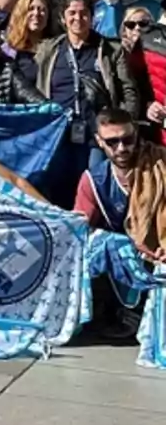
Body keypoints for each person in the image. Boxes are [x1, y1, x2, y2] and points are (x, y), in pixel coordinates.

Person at [35, 0, 139, 206]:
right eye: (72, 13)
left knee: (96, 190)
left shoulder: (111, 50)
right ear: (63, 18)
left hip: (97, 135)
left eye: (84, 13)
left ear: (92, 17)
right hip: (59, 135)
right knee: (59, 189)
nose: (78, 18)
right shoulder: (48, 50)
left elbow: (128, 90)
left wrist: (124, 127)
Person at [74, 108, 166, 337]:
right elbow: (77, 230)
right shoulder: (93, 180)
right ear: (99, 141)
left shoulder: (161, 163)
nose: (122, 148)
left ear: (136, 134)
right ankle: (114, 312)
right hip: (127, 262)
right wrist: (124, 243)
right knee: (105, 245)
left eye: (127, 139)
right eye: (112, 142)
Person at [0, 0, 51, 105]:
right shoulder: (8, 50)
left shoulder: (56, 48)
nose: (36, 14)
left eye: (42, 9)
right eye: (31, 9)